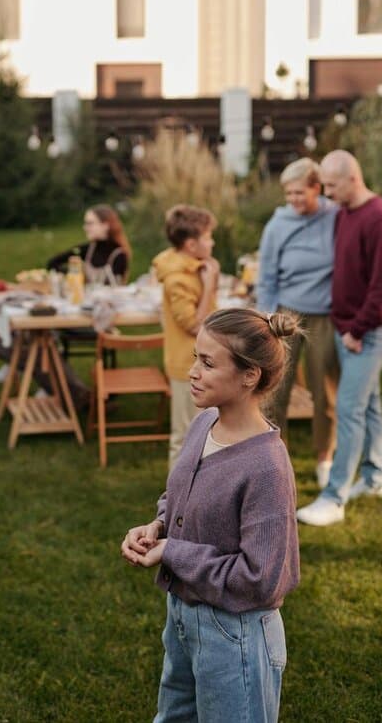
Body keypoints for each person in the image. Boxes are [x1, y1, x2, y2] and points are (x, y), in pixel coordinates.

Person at [121, 308, 301, 723]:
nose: (193, 372)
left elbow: (260, 579)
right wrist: (158, 526)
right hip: (184, 617)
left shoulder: (266, 468)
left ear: (249, 375)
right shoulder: (204, 424)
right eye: (194, 358)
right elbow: (181, 496)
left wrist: (172, 551)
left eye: (207, 363)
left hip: (235, 635)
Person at [297, 150, 382, 526]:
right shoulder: (345, 213)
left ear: (353, 178)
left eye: (332, 186)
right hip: (346, 327)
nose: (327, 194)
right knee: (369, 405)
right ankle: (376, 475)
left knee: (349, 409)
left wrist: (358, 329)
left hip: (366, 332)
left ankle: (333, 498)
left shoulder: (380, 218)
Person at [0, 223, 90, 409]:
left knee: (39, 345)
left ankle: (71, 393)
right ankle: (74, 396)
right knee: (32, 351)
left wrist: (11, 288)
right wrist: (14, 287)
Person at [257, 157, 339, 488]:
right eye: (288, 193)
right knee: (275, 389)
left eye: (299, 193)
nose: (293, 199)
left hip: (326, 315)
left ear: (317, 188)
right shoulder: (277, 225)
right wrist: (266, 319)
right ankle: (275, 460)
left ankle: (325, 458)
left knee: (325, 390)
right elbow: (266, 276)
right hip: (286, 313)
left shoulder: (336, 216)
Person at [153, 205, 219, 470]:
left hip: (202, 360)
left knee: (205, 431)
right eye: (208, 237)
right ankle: (177, 493)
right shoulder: (177, 279)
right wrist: (210, 284)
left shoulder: (195, 268)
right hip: (186, 365)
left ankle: (202, 486)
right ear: (191, 245)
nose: (212, 242)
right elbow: (194, 325)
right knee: (185, 435)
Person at [46, 204, 131, 285]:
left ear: (105, 225)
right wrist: (75, 276)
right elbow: (53, 263)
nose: (85, 228)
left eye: (90, 223)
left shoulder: (118, 255)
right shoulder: (87, 249)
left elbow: (117, 288)